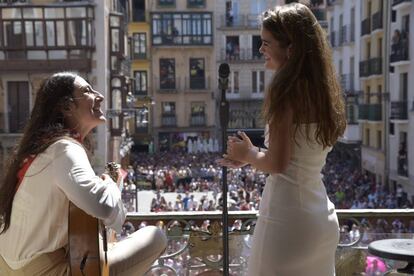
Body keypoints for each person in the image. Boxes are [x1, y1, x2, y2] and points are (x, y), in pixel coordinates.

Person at [217, 3, 346, 275]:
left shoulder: (285, 91)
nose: (260, 49)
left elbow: (278, 164)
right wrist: (252, 156)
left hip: (286, 220)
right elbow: (297, 156)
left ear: (292, 49)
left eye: (266, 43)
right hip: (320, 218)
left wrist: (247, 155)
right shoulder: (324, 92)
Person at [0, 72, 167, 275]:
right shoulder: (64, 149)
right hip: (44, 271)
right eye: (88, 91)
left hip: (10, 266)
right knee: (156, 235)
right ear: (67, 107)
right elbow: (102, 206)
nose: (100, 96)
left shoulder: (41, 150)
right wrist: (112, 184)